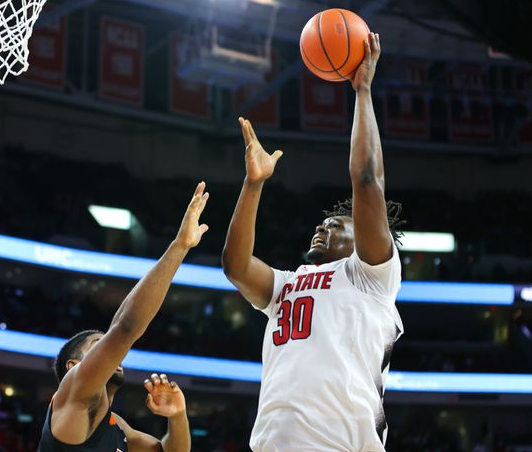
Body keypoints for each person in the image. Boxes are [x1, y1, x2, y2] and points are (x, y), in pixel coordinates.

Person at [222, 33, 405, 451]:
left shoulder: (371, 276)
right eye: (324, 222)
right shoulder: (287, 283)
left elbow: (366, 179)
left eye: (338, 224)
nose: (324, 226)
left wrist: (362, 92)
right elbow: (235, 266)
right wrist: (253, 185)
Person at [38, 182, 210, 452]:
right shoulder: (73, 392)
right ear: (73, 366)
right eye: (97, 344)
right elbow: (125, 328)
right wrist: (179, 246)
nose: (110, 349)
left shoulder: (116, 427)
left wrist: (177, 417)